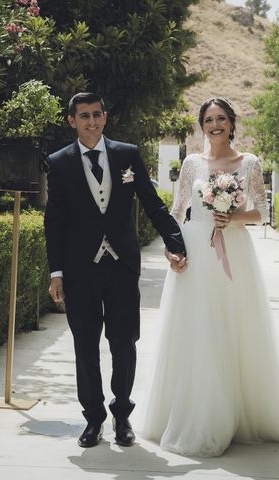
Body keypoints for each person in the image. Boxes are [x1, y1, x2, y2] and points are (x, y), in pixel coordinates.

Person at [141, 97, 279, 457]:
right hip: (195, 254)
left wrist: (231, 218)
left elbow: (262, 213)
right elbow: (177, 210)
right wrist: (173, 251)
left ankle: (237, 412)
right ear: (201, 125)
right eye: (208, 120)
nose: (215, 125)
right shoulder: (191, 164)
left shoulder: (248, 162)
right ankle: (197, 412)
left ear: (232, 123)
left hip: (233, 253)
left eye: (221, 119)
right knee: (197, 329)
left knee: (233, 328)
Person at [44, 92, 187, 448]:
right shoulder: (59, 162)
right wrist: (56, 272)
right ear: (71, 121)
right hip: (80, 270)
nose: (91, 121)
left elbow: (152, 202)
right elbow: (55, 221)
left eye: (96, 115)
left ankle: (122, 415)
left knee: (124, 342)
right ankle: (93, 419)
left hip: (121, 265)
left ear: (105, 118)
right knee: (85, 345)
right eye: (84, 116)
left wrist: (174, 240)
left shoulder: (127, 154)